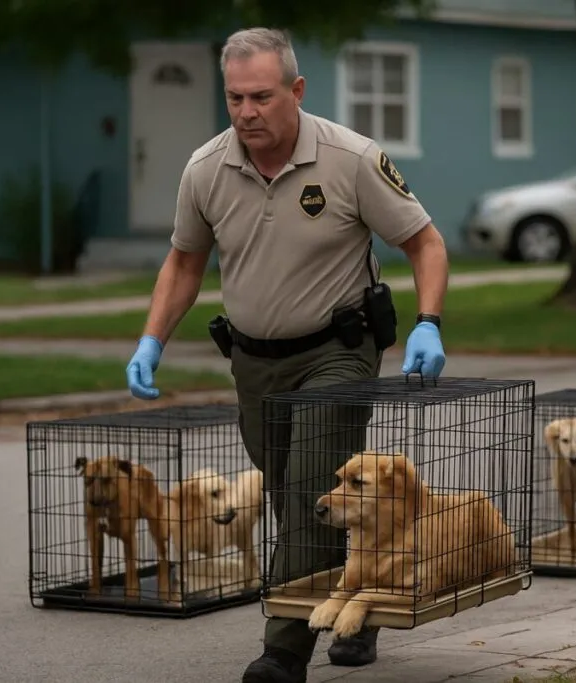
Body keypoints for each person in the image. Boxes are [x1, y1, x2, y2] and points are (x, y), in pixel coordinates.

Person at [124, 27, 449, 683]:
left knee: (306, 490)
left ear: (296, 91)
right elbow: (184, 263)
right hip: (254, 360)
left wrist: (428, 322)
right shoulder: (206, 168)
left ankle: (283, 649)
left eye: (262, 97)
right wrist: (151, 339)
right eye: (235, 98)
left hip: (338, 350)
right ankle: (357, 603)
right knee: (294, 491)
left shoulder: (350, 158)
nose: (247, 112)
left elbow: (425, 242)